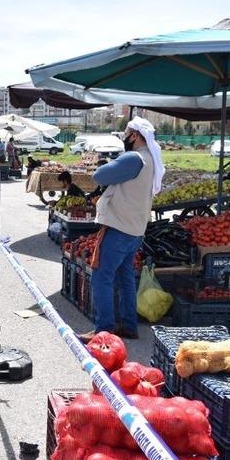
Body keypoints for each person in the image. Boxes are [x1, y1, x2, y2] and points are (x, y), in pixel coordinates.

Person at [77, 117, 165, 343]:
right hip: (136, 229)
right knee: (125, 276)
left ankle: (103, 330)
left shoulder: (134, 158)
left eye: (126, 133)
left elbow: (99, 176)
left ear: (134, 135)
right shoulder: (151, 159)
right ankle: (129, 325)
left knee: (101, 277)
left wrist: (109, 163)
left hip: (120, 227)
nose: (124, 137)